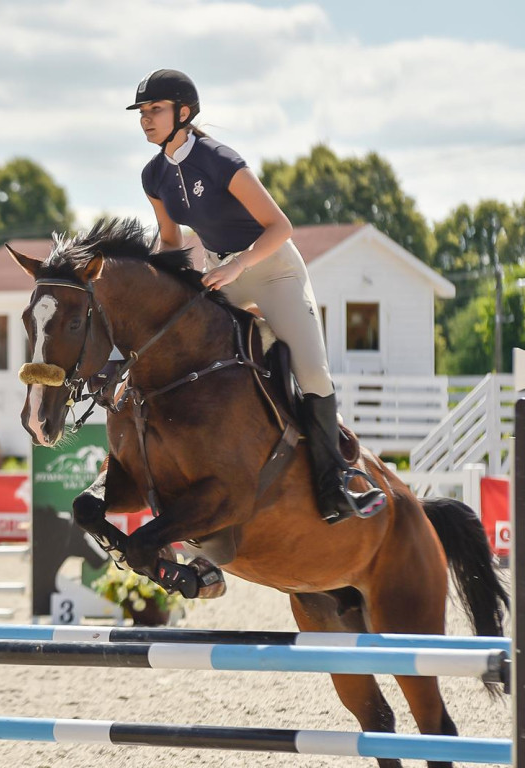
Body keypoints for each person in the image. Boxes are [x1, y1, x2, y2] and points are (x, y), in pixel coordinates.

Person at [127, 68, 386, 524]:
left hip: (271, 270)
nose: (146, 119)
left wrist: (237, 265)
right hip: (219, 272)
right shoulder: (153, 176)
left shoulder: (220, 160)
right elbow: (169, 241)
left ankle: (336, 482)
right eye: (143, 112)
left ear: (183, 113)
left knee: (312, 371)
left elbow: (280, 226)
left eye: (155, 110)